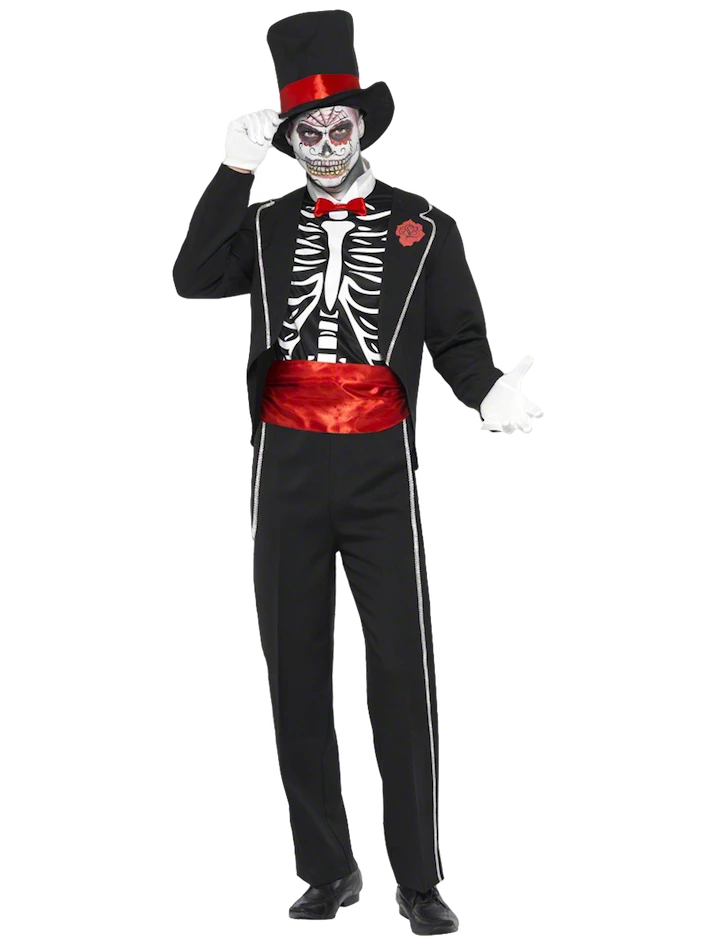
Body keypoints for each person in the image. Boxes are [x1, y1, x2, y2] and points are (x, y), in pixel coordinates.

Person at [172, 9, 541, 935]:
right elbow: (192, 276)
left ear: (365, 129)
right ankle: (326, 870)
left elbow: (458, 339)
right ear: (290, 142)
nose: (328, 149)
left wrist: (488, 394)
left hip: (378, 465)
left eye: (340, 129)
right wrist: (232, 174)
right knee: (294, 664)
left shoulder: (423, 225)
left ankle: (419, 880)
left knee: (402, 669)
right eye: (308, 134)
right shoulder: (267, 226)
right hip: (286, 465)